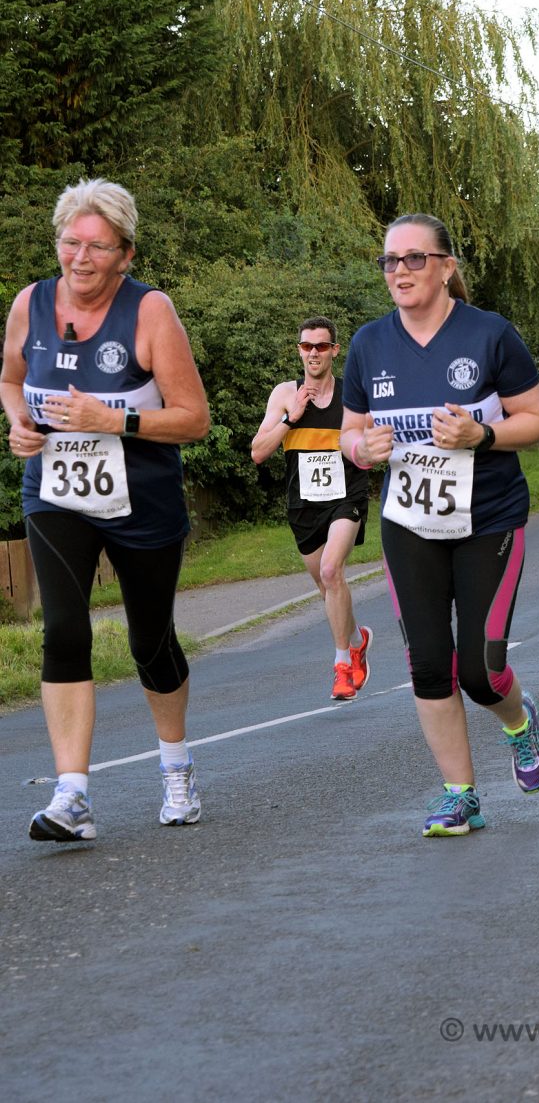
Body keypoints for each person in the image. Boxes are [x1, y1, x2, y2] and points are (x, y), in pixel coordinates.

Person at [1, 178, 210, 843]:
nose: (81, 256)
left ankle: (175, 766)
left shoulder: (150, 313)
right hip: (56, 491)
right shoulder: (30, 303)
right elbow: (10, 380)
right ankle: (72, 794)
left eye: (98, 245)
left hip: (141, 499)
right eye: (70, 241)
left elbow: (194, 419)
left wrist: (111, 416)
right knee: (64, 629)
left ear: (126, 253)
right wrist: (19, 426)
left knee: (151, 642)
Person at [340, 212, 539, 837]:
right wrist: (361, 450)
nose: (400, 271)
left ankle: (519, 723)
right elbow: (350, 431)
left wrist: (481, 434)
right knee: (429, 665)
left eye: (414, 258)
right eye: (389, 261)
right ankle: (460, 794)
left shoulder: (489, 335)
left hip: (488, 518)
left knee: (480, 672)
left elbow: (538, 418)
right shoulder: (369, 344)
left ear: (446, 267)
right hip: (409, 522)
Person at [251, 316, 372, 701]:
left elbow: (369, 449)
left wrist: (359, 448)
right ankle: (356, 640)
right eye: (307, 346)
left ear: (335, 350)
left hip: (345, 497)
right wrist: (292, 419)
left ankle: (341, 667)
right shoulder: (285, 394)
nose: (314, 353)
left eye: (322, 346)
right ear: (299, 350)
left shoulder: (352, 394)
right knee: (327, 585)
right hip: (303, 505)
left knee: (331, 570)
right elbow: (257, 453)